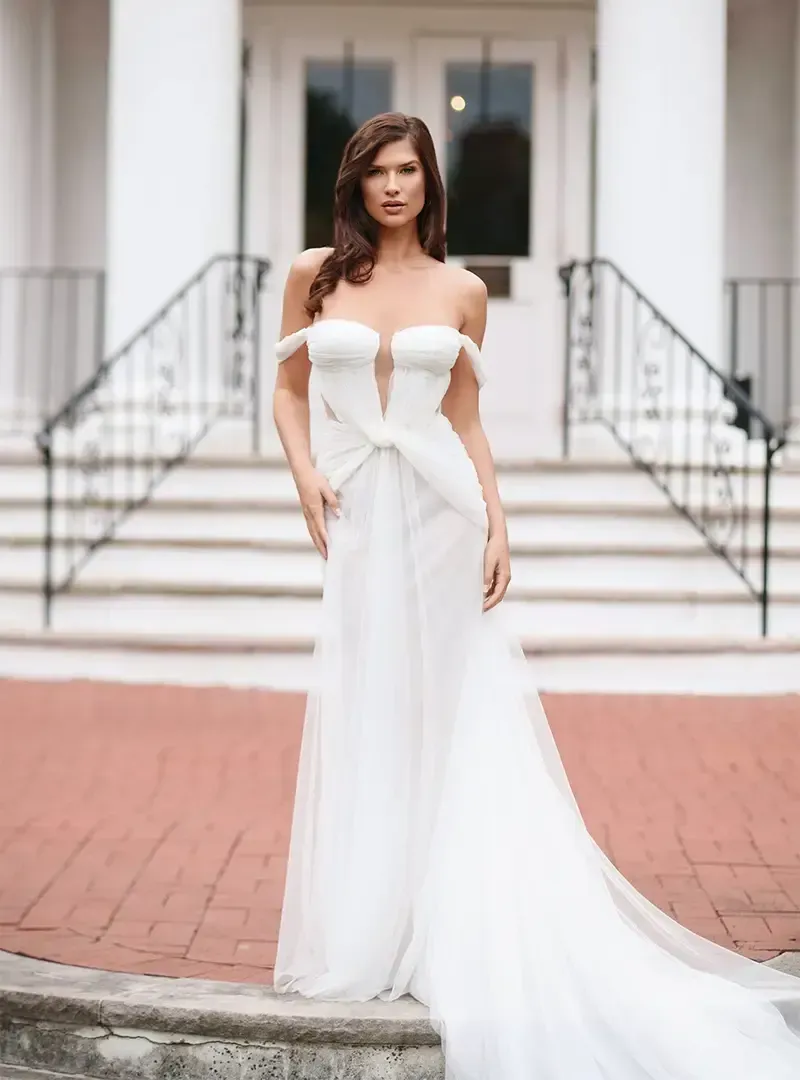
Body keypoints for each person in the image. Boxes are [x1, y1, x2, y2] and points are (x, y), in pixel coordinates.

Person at [271, 112, 800, 1079]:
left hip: (443, 510)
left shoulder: (465, 289)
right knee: (369, 705)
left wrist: (499, 523)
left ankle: (446, 918)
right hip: (358, 510)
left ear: (431, 182)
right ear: (355, 183)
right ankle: (368, 920)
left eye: (411, 171)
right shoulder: (315, 275)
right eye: (379, 172)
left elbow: (465, 419)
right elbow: (289, 390)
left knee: (448, 713)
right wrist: (303, 474)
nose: (395, 187)